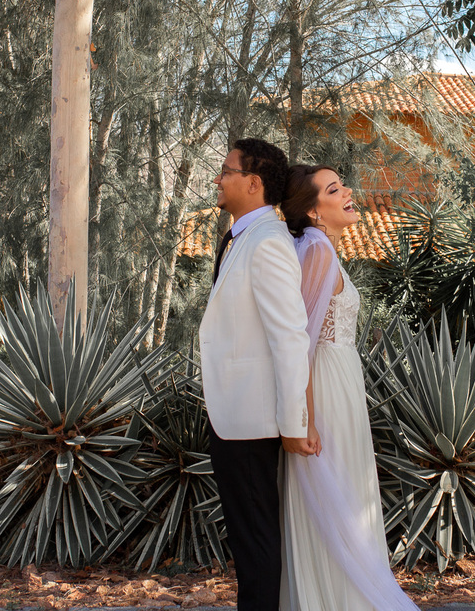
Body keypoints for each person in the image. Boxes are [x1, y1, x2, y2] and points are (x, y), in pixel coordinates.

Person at [278, 164, 419, 611]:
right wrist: (304, 418)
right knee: (334, 493)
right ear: (313, 210)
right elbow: (299, 340)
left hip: (340, 380)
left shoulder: (321, 248)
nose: (348, 193)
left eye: (342, 185)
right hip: (326, 389)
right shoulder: (317, 251)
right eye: (334, 189)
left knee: (345, 496)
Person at [199, 139, 318, 611]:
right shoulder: (242, 237)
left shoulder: (268, 242)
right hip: (234, 412)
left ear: (253, 183)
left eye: (225, 171)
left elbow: (291, 337)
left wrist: (294, 424)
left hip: (252, 419)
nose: (217, 179)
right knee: (248, 540)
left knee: (256, 540)